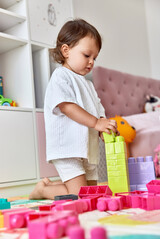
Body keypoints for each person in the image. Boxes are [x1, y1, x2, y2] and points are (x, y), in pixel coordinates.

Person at [29, 19, 119, 200]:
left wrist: (103, 125)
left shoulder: (88, 84)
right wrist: (95, 122)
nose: (91, 62)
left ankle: (53, 185)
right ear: (66, 50)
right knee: (79, 194)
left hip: (87, 149)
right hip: (68, 148)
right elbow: (67, 106)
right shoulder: (61, 76)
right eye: (87, 55)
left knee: (90, 194)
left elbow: (97, 108)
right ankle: (43, 191)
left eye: (95, 58)